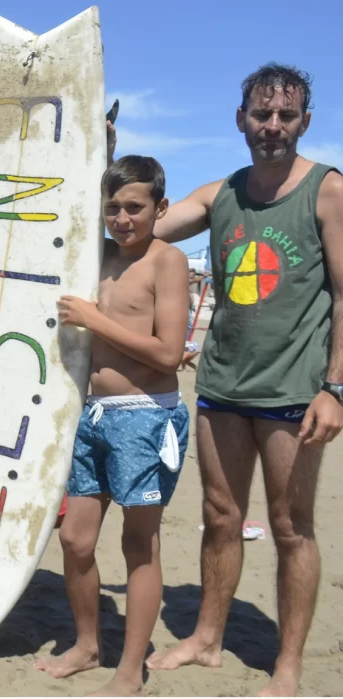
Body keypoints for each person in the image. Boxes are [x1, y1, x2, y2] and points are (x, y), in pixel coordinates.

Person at [142, 63, 343, 697]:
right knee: (220, 514)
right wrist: (108, 154)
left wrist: (334, 388)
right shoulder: (221, 193)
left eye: (286, 116)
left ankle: (286, 667)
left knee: (291, 528)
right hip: (224, 387)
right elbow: (138, 224)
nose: (273, 127)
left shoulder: (328, 190)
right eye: (262, 114)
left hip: (294, 392)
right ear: (241, 120)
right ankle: (206, 638)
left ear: (304, 122)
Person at [33, 155, 191, 696]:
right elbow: (49, 210)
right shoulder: (95, 255)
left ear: (160, 208)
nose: (122, 218)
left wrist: (96, 320)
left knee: (138, 545)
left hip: (146, 418)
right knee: (75, 540)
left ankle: (130, 667)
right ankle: (87, 644)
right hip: (94, 415)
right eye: (113, 208)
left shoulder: (166, 260)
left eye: (134, 207)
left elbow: (169, 353)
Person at [181, 269, 201, 371]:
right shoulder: (183, 281)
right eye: (190, 275)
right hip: (184, 309)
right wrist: (203, 277)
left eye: (193, 276)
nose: (191, 277)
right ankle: (183, 357)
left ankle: (186, 363)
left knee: (193, 348)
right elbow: (192, 281)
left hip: (188, 309)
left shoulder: (187, 284)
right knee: (195, 348)